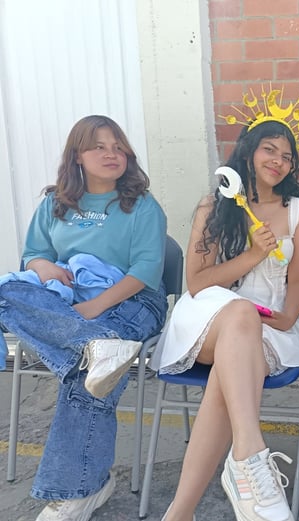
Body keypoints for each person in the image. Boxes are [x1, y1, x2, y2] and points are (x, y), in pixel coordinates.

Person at [152, 112, 299, 521]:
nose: (278, 161)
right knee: (240, 314)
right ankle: (249, 457)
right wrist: (254, 254)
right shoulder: (215, 205)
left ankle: (180, 513)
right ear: (248, 152)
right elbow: (197, 282)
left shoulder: (296, 211)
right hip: (208, 316)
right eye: (269, 149)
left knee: (229, 374)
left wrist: (289, 315)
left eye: (287, 156)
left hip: (269, 324)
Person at [0, 115, 168, 521]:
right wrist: (45, 268)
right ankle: (92, 347)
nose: (112, 154)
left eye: (118, 147)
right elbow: (34, 254)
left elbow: (146, 271)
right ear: (77, 155)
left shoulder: (142, 205)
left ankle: (76, 493)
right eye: (99, 147)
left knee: (86, 373)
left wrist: (93, 309)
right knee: (7, 293)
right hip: (71, 303)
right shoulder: (55, 203)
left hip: (133, 302)